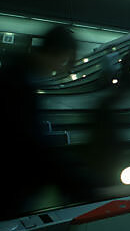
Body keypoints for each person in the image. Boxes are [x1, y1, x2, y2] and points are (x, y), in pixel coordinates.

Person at [0, 26, 77, 219]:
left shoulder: (17, 75)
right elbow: (30, 144)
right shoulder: (18, 85)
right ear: (56, 53)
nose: (60, 68)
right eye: (63, 60)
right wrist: (77, 185)